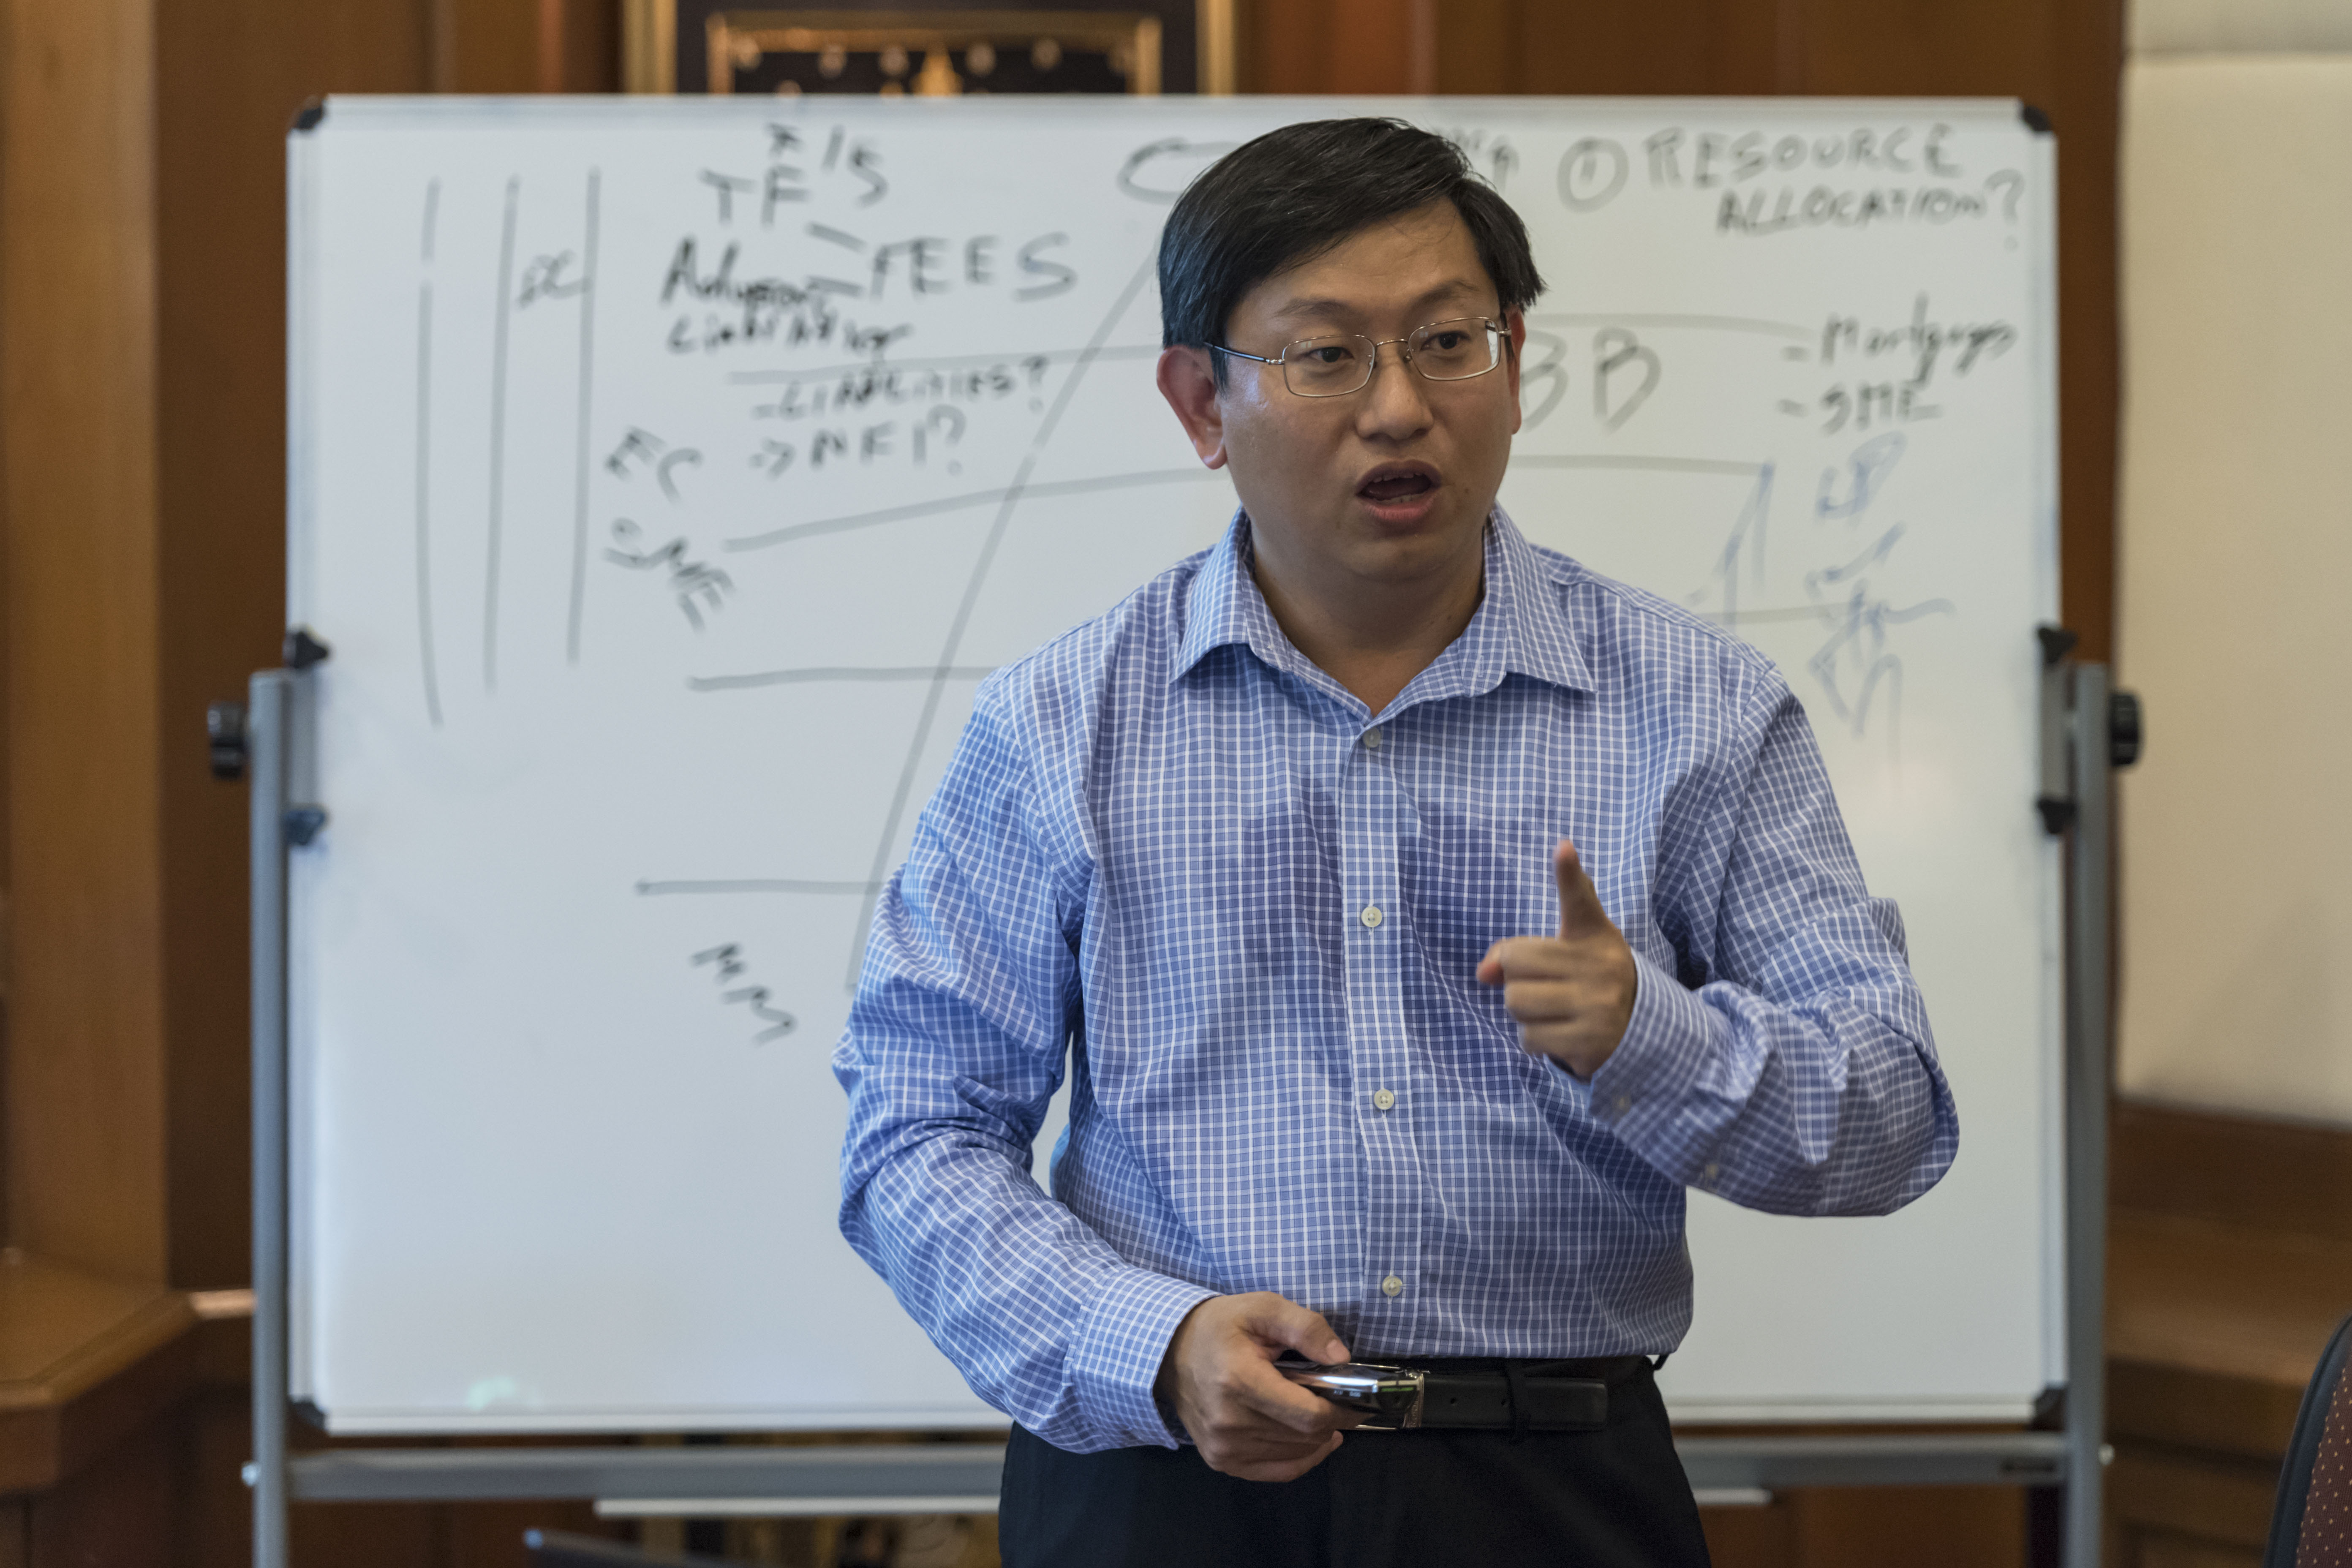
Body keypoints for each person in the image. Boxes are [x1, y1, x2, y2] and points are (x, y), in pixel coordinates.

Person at [834, 117, 1958, 1568]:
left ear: (1516, 361)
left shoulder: (1698, 710)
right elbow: (915, 1129)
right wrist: (1150, 1345)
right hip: (1168, 1487)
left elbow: (1893, 1118)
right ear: (1201, 400)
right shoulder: (1063, 723)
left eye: (1446, 342)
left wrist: (1651, 1037)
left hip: (1554, 1492)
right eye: (1326, 355)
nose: (1400, 407)